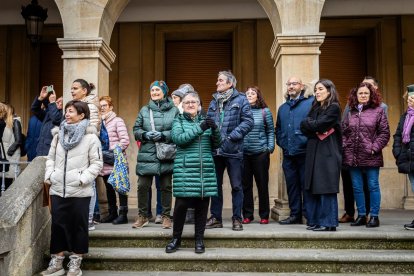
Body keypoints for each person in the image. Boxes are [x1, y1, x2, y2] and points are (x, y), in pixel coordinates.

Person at [41, 100, 103, 276]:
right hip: (58, 188)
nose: (67, 115)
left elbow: (97, 163)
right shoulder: (58, 136)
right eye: (66, 112)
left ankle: (75, 263)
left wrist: (83, 179)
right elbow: (50, 158)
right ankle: (57, 262)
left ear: (82, 115)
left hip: (79, 190)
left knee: (79, 226)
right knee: (58, 226)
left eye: (71, 112)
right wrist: (50, 175)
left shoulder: (91, 138)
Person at [165, 91, 221, 254]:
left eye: (194, 102)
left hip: (205, 171)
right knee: (181, 206)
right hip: (185, 170)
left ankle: (199, 240)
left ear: (199, 105)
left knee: (202, 207)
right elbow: (179, 139)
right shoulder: (178, 121)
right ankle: (176, 239)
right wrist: (200, 128)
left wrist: (215, 129)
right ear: (182, 105)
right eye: (187, 102)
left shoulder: (206, 121)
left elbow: (217, 143)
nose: (190, 104)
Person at [205, 70, 254, 231]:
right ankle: (216, 218)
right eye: (217, 80)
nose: (217, 83)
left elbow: (248, 122)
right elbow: (209, 122)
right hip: (215, 150)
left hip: (233, 150)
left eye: (220, 80)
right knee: (215, 186)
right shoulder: (214, 101)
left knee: (237, 187)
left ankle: (236, 219)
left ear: (230, 83)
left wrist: (232, 137)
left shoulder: (241, 99)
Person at [339, 76, 388, 223]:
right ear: (356, 95)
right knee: (357, 187)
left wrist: (374, 148)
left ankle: (373, 216)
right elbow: (343, 132)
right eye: (360, 93)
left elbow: (384, 133)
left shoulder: (378, 111)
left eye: (366, 93)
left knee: (372, 185)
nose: (363, 95)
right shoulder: (350, 112)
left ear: (371, 94)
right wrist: (345, 146)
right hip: (353, 155)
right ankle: (361, 215)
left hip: (370, 155)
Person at [132, 80, 178, 229]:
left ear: (164, 92)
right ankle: (143, 216)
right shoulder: (144, 110)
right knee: (142, 186)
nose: (154, 93)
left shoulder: (174, 110)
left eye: (158, 90)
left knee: (166, 186)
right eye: (152, 90)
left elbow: (177, 131)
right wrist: (145, 135)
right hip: (147, 153)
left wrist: (163, 135)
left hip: (166, 153)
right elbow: (136, 129)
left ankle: (166, 216)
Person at [300, 79, 342, 231]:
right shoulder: (315, 107)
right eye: (316, 89)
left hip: (328, 152)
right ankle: (317, 220)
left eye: (320, 89)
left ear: (329, 91)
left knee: (326, 187)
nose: (317, 92)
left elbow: (319, 125)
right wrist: (313, 126)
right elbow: (303, 125)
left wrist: (313, 125)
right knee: (314, 186)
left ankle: (329, 223)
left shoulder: (334, 107)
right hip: (313, 150)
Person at [275, 77, 314, 225]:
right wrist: (282, 142)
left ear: (301, 86)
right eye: (289, 84)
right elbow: (278, 129)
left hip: (304, 153)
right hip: (288, 153)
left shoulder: (310, 103)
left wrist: (305, 141)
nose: (291, 86)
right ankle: (295, 215)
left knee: (306, 186)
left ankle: (308, 216)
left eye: (294, 84)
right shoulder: (283, 108)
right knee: (292, 186)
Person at [70, 79, 101, 231]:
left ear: (84, 91)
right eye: (71, 88)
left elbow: (94, 128)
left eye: (75, 88)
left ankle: (88, 218)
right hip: (75, 151)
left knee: (90, 184)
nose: (72, 91)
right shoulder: (73, 106)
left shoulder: (91, 107)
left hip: (87, 150)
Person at [242, 86, 275, 225]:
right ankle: (248, 215)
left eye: (253, 93)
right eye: (247, 93)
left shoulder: (264, 111)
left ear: (258, 96)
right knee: (246, 186)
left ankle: (264, 215)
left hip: (260, 154)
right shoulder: (241, 112)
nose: (249, 95)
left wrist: (269, 148)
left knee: (262, 185)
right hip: (244, 154)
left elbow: (270, 131)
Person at [98, 96, 130, 224]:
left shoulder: (117, 121)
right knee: (109, 189)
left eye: (105, 105)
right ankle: (113, 213)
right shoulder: (99, 123)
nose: (102, 108)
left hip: (117, 161)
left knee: (120, 188)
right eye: (100, 106)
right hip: (104, 161)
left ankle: (123, 215)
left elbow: (125, 140)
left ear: (110, 107)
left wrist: (113, 151)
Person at [393, 84, 414, 230]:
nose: (409, 101)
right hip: (408, 158)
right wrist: (397, 152)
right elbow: (398, 135)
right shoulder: (405, 116)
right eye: (408, 99)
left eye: (412, 98)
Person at [31, 86, 63, 157]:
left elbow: (56, 119)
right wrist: (41, 98)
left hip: (53, 152)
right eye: (58, 100)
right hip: (40, 150)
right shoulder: (49, 113)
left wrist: (52, 103)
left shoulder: (64, 114)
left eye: (61, 101)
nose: (58, 102)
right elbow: (34, 109)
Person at [0, 103, 23, 194]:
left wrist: (9, 151)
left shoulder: (15, 122)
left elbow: (18, 140)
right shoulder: (3, 123)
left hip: (10, 157)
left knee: (6, 184)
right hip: (4, 157)